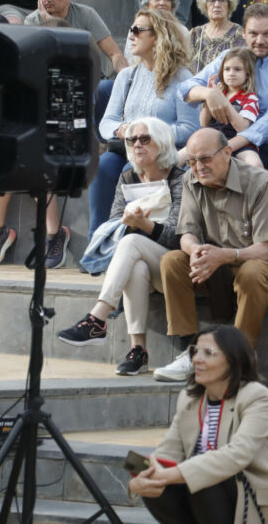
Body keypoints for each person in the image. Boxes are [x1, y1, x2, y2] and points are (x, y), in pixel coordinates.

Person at [154, 128, 268, 383]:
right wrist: (196, 251)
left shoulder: (261, 182)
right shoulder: (190, 179)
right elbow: (186, 234)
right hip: (219, 260)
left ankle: (237, 357)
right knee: (172, 261)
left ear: (227, 152)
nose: (199, 167)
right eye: (192, 161)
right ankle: (190, 350)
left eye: (205, 158)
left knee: (251, 274)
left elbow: (264, 249)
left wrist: (223, 255)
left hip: (265, 261)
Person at [127, 325, 268, 524]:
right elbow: (167, 452)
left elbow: (237, 455)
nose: (197, 359)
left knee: (203, 479)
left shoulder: (256, 397)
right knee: (157, 483)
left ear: (233, 360)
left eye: (208, 353)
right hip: (207, 501)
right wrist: (139, 481)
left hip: (254, 502)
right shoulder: (189, 398)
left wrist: (170, 475)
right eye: (195, 351)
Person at [56, 118, 184, 376]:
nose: (137, 144)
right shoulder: (127, 177)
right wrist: (128, 223)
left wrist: (144, 225)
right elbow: (114, 223)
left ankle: (97, 318)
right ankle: (138, 350)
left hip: (174, 264)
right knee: (135, 266)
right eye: (132, 140)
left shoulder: (180, 179)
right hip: (140, 261)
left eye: (145, 139)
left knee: (132, 241)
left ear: (162, 143)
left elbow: (179, 236)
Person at [92, 7, 198, 235]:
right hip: (126, 147)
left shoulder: (183, 78)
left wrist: (149, 134)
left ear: (158, 36)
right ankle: (98, 240)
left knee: (133, 169)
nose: (131, 35)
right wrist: (122, 129)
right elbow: (106, 122)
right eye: (131, 29)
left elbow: (190, 128)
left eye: (137, 30)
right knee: (102, 167)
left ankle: (129, 238)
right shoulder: (126, 75)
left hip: (159, 154)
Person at [183, 4, 268, 178]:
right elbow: (186, 89)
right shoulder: (231, 58)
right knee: (179, 162)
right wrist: (209, 94)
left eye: (267, 34)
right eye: (253, 33)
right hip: (223, 140)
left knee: (223, 167)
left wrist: (224, 148)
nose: (259, 40)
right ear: (244, 33)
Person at [27, 0, 131, 80]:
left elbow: (114, 54)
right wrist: (48, 20)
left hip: (89, 80)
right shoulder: (32, 21)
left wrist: (126, 79)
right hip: (49, 81)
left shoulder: (87, 14)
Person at [189, 0, 242, 72]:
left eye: (222, 0)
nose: (217, 5)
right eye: (212, 0)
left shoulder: (240, 34)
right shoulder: (195, 33)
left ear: (229, 5)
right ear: (205, 5)